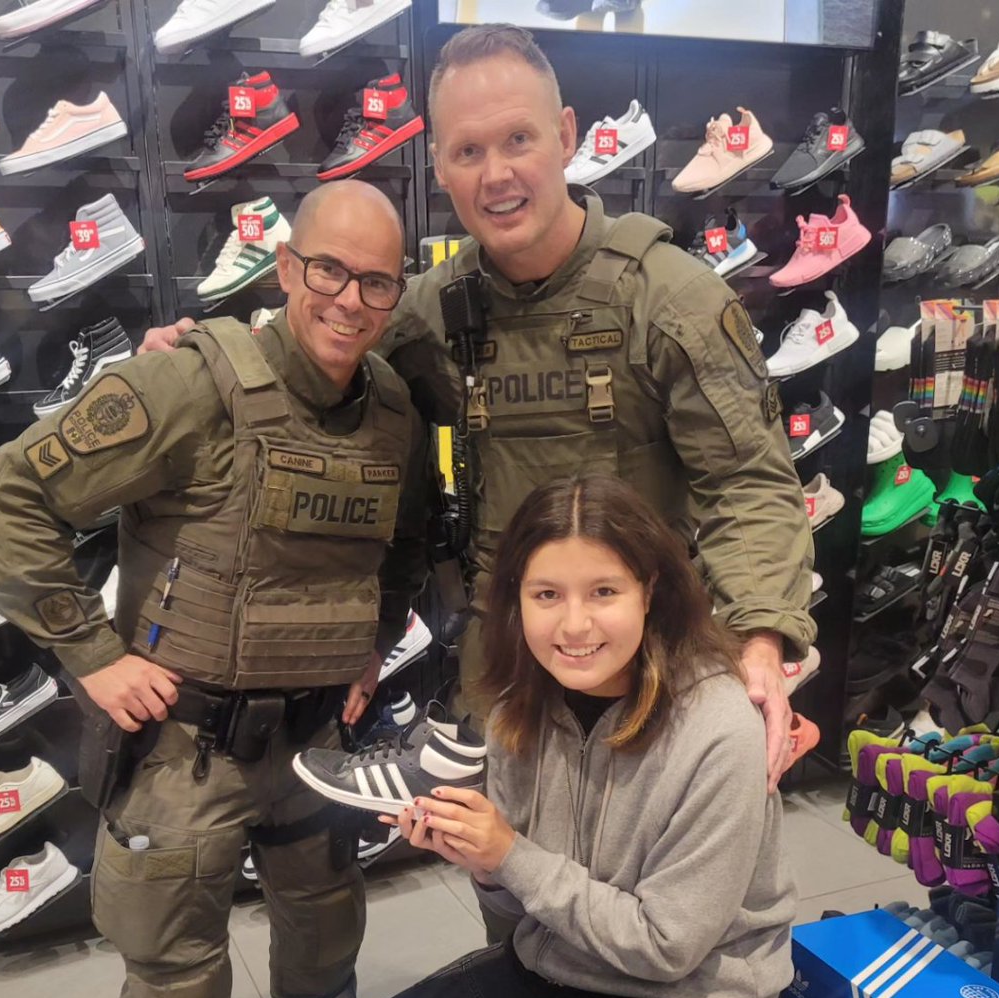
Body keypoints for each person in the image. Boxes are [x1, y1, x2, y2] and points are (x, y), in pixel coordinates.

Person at [140, 23, 815, 802]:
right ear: (441, 169)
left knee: (638, 904)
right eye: (468, 152)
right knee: (513, 890)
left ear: (565, 137)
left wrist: (760, 638)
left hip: (646, 669)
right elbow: (310, 352)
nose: (497, 175)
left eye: (519, 140)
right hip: (503, 679)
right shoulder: (429, 309)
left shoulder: (670, 300)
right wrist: (204, 356)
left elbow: (751, 485)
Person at [0, 179, 432, 998]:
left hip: (313, 744)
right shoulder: (189, 382)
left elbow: (400, 547)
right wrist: (94, 655)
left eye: (377, 283)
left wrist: (374, 642)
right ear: (286, 265)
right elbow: (6, 502)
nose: (349, 301)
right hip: (189, 745)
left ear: (399, 293)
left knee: (323, 958)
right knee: (178, 986)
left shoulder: (391, 405)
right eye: (327, 271)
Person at [350, 474, 797, 998]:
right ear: (516, 599)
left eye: (603, 593)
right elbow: (517, 921)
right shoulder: (515, 712)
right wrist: (484, 866)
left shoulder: (718, 729)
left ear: (650, 591)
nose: (575, 626)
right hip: (554, 970)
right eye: (546, 595)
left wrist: (512, 857)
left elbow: (667, 947)